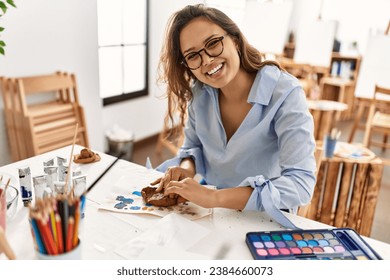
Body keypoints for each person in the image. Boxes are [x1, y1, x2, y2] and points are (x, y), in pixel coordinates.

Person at [152, 4, 316, 227]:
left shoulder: (285, 93)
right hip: (212, 216)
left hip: (265, 220)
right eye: (192, 56)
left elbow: (300, 183)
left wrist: (215, 198)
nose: (207, 60)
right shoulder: (200, 93)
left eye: (213, 44)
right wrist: (186, 170)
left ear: (235, 40)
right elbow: (193, 148)